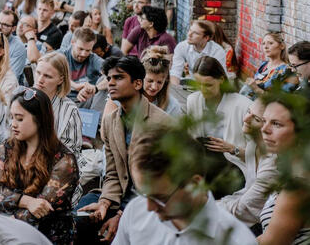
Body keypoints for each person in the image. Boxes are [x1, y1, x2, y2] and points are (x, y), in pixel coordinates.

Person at [77, 55, 171, 243]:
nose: (110, 83)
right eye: (109, 78)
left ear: (137, 84)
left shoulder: (162, 124)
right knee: (82, 216)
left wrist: (122, 215)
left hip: (151, 203)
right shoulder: (110, 121)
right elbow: (112, 173)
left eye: (118, 77)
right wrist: (104, 203)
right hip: (117, 196)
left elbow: (161, 184)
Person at [112, 126, 256, 245]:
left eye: (160, 198)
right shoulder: (135, 211)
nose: (149, 207)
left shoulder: (237, 240)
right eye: (143, 193)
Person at [0, 87, 79, 245]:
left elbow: (41, 209)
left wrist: (1, 227)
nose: (13, 124)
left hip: (46, 236)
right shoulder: (7, 147)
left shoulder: (64, 160)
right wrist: (26, 201)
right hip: (8, 228)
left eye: (20, 119)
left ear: (40, 120)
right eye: (12, 118)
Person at [186, 56, 250, 197]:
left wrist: (232, 149)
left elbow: (259, 155)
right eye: (198, 84)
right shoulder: (193, 100)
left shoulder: (243, 106)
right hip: (203, 165)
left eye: (208, 85)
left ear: (221, 80)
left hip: (234, 168)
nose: (202, 90)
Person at [256, 94, 310, 244]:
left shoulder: (298, 188)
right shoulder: (293, 172)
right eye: (263, 121)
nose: (264, 129)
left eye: (276, 124)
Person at [218, 98, 276, 227]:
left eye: (256, 119)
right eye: (248, 112)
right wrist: (233, 149)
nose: (245, 119)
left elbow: (246, 209)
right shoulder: (253, 144)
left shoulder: (272, 165)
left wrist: (211, 206)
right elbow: (248, 189)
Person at [32, 53, 82, 156]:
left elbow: (72, 151)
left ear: (60, 80)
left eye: (48, 76)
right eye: (38, 73)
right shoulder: (23, 99)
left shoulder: (69, 110)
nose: (40, 80)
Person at [243, 32, 298, 97]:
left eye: (270, 43)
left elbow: (282, 99)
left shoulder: (287, 70)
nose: (266, 47)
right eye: (263, 43)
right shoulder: (264, 65)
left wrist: (256, 89)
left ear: (282, 46)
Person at [59, 27, 104, 102]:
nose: (84, 54)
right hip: (62, 98)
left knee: (107, 79)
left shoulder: (93, 59)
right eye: (81, 49)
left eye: (88, 50)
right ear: (72, 42)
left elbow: (113, 73)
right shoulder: (61, 55)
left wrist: (96, 88)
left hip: (86, 100)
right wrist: (74, 85)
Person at [140, 47, 183, 117]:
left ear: (165, 81)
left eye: (159, 82)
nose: (154, 87)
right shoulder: (128, 99)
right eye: (150, 81)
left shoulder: (173, 106)